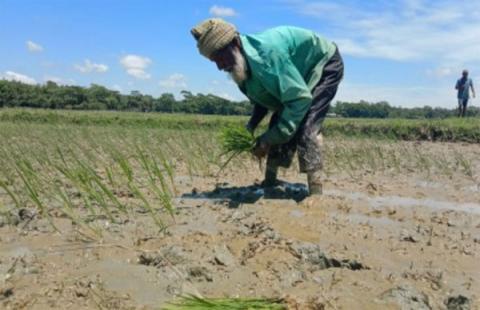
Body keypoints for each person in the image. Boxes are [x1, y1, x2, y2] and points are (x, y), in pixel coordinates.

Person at [191, 18, 344, 195]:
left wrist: (268, 139)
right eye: (214, 61)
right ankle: (270, 183)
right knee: (277, 123)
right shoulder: (241, 67)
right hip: (294, 77)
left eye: (220, 57)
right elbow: (262, 103)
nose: (219, 66)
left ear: (235, 43)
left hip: (323, 63)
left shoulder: (266, 57)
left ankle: (316, 192)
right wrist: (251, 127)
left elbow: (299, 99)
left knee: (306, 128)